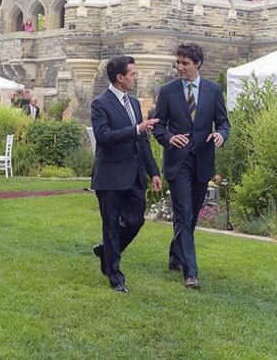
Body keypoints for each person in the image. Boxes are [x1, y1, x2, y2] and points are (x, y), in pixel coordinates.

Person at [152, 43, 229, 289]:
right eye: (178, 63)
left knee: (191, 215)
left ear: (197, 64)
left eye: (185, 63)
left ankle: (176, 256)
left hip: (202, 162)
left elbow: (223, 123)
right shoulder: (167, 91)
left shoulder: (213, 90)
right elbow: (158, 126)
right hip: (178, 163)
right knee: (184, 213)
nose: (180, 67)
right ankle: (191, 273)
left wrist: (221, 135)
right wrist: (169, 138)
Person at [90, 56, 162, 293]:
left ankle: (106, 251)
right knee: (111, 226)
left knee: (136, 221)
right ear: (120, 77)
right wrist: (136, 129)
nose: (136, 77)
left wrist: (153, 172)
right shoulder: (100, 104)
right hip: (110, 175)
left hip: (134, 175)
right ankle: (116, 277)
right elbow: (103, 137)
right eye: (133, 74)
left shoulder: (133, 103)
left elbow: (142, 140)